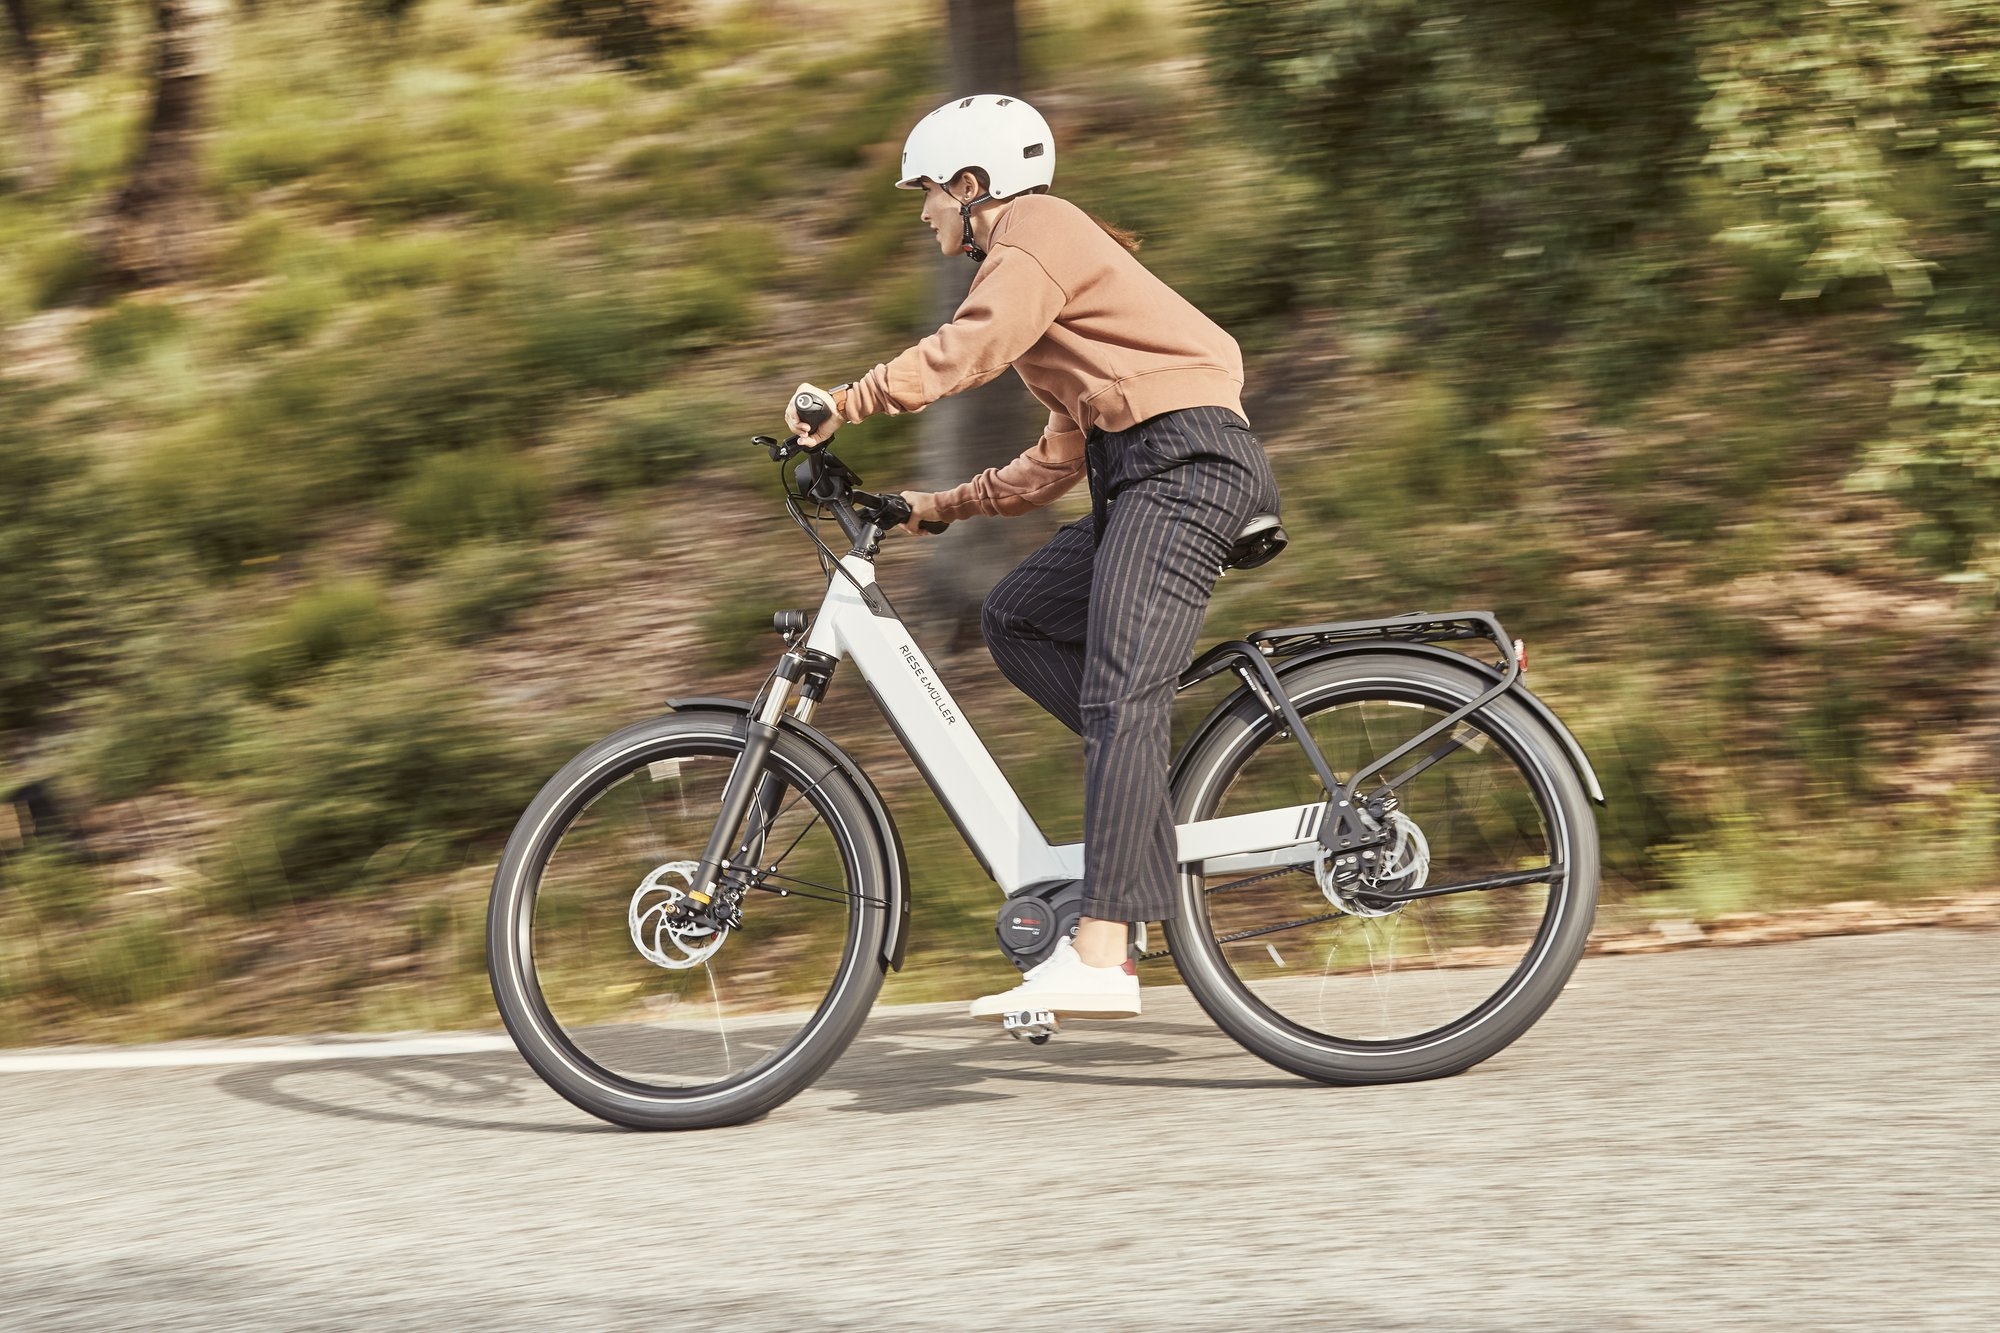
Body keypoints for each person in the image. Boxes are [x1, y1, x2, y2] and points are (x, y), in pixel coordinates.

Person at [783, 94, 1280, 1025]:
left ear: (974, 185)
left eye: (927, 193)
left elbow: (967, 348)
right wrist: (937, 506)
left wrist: (846, 401)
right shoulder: (1049, 283)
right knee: (1018, 616)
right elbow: (1057, 457)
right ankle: (1137, 803)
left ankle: (1102, 954)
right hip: (1143, 472)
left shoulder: (1038, 232)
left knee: (1120, 697)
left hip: (1187, 467)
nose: (923, 213)